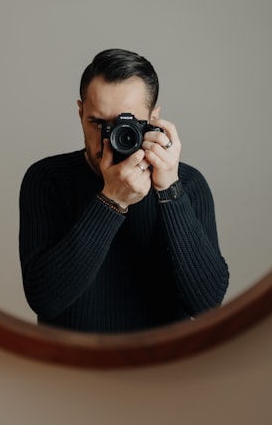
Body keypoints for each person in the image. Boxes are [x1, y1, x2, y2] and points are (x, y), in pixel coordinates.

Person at [18, 48, 229, 333]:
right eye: (97, 123)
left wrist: (169, 189)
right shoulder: (47, 179)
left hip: (165, 371)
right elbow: (45, 299)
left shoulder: (187, 184)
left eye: (124, 124)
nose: (110, 139)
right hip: (72, 370)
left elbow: (206, 303)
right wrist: (111, 201)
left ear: (153, 118)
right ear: (80, 112)